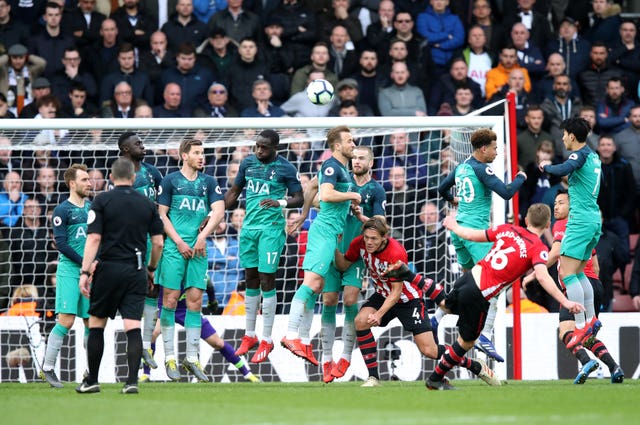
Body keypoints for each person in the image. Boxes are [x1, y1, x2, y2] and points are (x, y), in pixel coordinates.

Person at [424, 204, 584, 390]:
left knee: (447, 305)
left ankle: (417, 280)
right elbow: (542, 275)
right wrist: (565, 301)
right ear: (548, 224)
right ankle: (435, 378)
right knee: (466, 342)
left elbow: (470, 235)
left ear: (525, 220)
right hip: (479, 295)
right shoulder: (538, 248)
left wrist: (454, 226)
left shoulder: (507, 229)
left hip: (467, 279)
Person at [335, 216, 500, 388]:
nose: (368, 242)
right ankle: (374, 378)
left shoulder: (395, 252)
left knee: (430, 350)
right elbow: (343, 265)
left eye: (374, 238)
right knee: (360, 322)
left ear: (384, 237)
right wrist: (333, 246)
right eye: (366, 237)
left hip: (408, 299)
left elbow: (397, 292)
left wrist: (378, 314)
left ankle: (474, 365)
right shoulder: (359, 244)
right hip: (382, 294)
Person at [438, 128, 526, 362]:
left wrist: (455, 200)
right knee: (496, 285)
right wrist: (521, 177)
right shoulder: (481, 168)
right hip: (475, 233)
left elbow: (441, 189)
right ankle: (484, 335)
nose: (497, 153)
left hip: (458, 231)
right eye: (495, 149)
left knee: (469, 283)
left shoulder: (461, 167)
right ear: (484, 148)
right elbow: (506, 193)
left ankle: (438, 314)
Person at [76, 158, 164, 394]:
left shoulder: (102, 201)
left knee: (96, 323)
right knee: (132, 326)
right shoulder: (147, 204)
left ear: (112, 178)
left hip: (108, 268)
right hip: (135, 270)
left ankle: (92, 380)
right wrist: (151, 269)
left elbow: (93, 238)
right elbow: (158, 243)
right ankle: (131, 382)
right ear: (133, 178)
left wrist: (85, 272)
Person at [523, 190, 624, 384]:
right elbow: (595, 263)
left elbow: (555, 253)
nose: (556, 206)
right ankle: (614, 367)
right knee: (585, 334)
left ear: (572, 206)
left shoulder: (562, 224)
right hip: (593, 285)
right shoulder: (582, 227)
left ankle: (586, 362)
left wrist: (533, 273)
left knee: (566, 332)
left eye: (561, 203)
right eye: (555, 203)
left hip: (576, 285)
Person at [281, 126, 361, 365]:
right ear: (337, 146)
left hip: (329, 233)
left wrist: (304, 214)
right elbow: (325, 195)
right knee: (313, 283)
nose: (353, 144)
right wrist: (352, 197)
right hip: (324, 232)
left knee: (316, 286)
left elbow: (313, 187)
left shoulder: (339, 169)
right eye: (349, 141)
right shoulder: (331, 165)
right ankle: (291, 334)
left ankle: (303, 340)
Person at [225, 129, 303, 364]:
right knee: (250, 278)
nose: (259, 150)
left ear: (275, 147)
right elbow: (234, 192)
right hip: (249, 229)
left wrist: (279, 202)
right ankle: (250, 335)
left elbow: (299, 198)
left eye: (264, 147)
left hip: (271, 230)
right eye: (257, 146)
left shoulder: (286, 168)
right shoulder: (248, 164)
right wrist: (216, 213)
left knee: (266, 278)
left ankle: (267, 338)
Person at [157, 139, 225, 382]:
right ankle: (170, 358)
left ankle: (192, 357)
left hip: (198, 249)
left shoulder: (209, 182)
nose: (201, 156)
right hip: (175, 249)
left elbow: (219, 211)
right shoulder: (171, 180)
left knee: (195, 301)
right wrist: (178, 241)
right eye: (196, 152)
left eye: (203, 152)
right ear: (183, 155)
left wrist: (201, 238)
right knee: (171, 299)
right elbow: (161, 215)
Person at [539, 117, 603, 349]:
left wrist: (546, 166)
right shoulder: (595, 157)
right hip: (593, 218)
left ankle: (579, 326)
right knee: (578, 273)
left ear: (572, 136)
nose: (563, 138)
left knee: (566, 272)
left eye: (564, 134)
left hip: (580, 220)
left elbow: (563, 169)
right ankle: (590, 320)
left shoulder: (580, 155)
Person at [39, 164, 92, 388]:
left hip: (90, 272)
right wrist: (85, 264)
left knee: (92, 321)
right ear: (72, 183)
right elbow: (61, 244)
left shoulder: (93, 208)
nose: (89, 183)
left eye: (89, 179)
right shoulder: (62, 210)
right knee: (66, 321)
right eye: (84, 180)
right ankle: (48, 368)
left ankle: (92, 371)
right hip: (70, 271)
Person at [116, 132, 165, 371]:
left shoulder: (152, 172)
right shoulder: (120, 174)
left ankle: (146, 344)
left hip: (153, 238)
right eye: (138, 144)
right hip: (130, 242)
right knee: (133, 293)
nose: (143, 147)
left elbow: (163, 204)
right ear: (125, 150)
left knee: (152, 289)